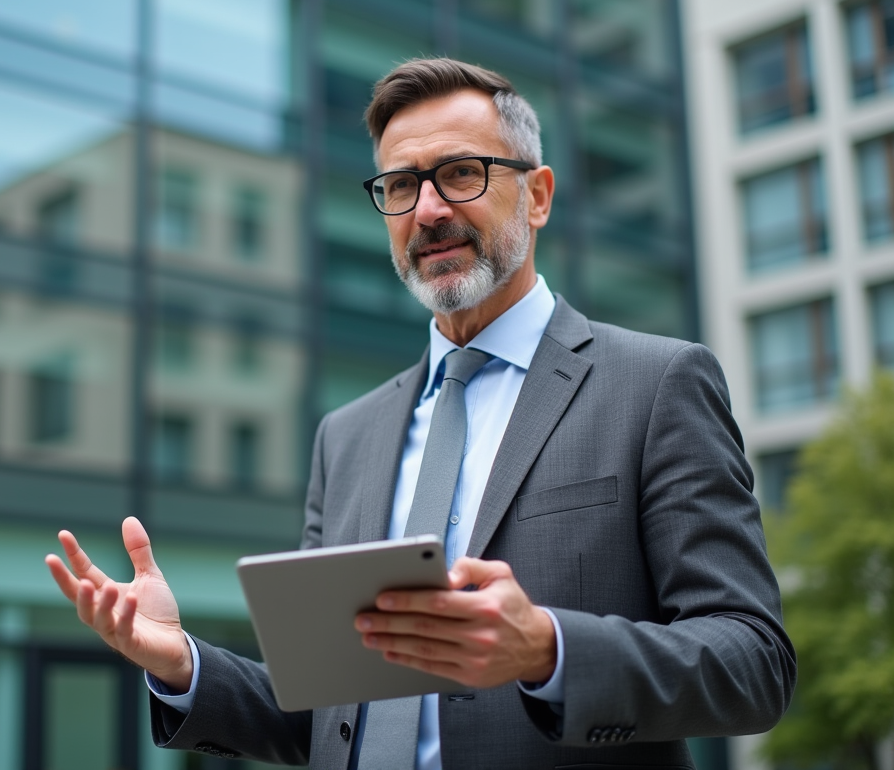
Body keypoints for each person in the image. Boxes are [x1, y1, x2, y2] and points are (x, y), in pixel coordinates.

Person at [45, 58, 796, 769]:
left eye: (460, 173)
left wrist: (549, 648)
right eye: (400, 186)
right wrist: (184, 665)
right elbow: (331, 712)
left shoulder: (656, 384)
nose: (428, 209)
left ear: (536, 196)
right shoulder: (347, 437)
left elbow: (753, 660)